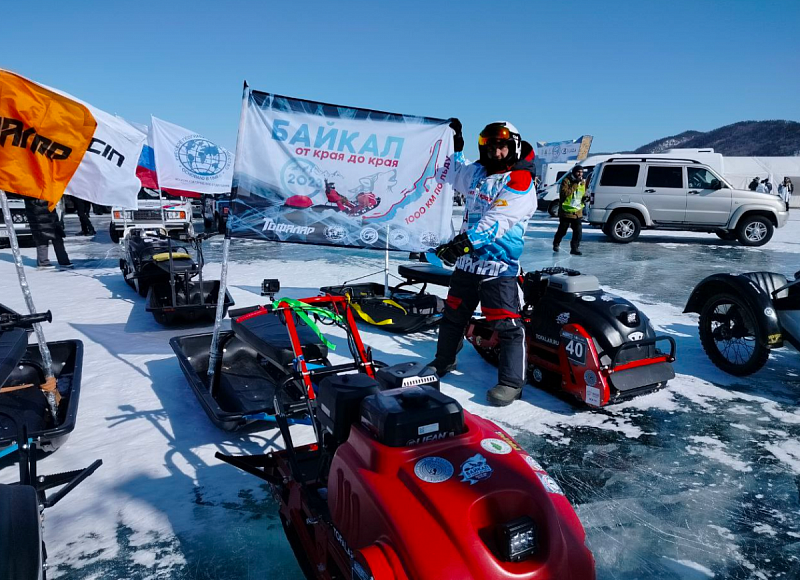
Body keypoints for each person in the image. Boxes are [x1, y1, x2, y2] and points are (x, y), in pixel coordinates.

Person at [429, 120, 537, 406]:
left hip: (498, 267)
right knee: (453, 316)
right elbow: (455, 172)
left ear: (513, 146)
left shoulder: (520, 180)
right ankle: (445, 360)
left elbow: (498, 221)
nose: (496, 153)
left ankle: (512, 383)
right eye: (490, 147)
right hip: (467, 265)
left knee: (506, 325)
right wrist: (456, 144)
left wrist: (462, 243)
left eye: (502, 146)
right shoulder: (478, 173)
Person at [24, 198, 72, 269]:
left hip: (46, 216)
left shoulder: (31, 191)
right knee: (46, 239)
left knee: (49, 239)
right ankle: (46, 262)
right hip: (43, 216)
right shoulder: (36, 192)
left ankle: (47, 261)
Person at [552, 165, 589, 255]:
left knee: (578, 232)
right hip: (566, 211)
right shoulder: (566, 181)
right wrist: (575, 184)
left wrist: (585, 198)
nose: (580, 174)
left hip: (577, 212)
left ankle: (574, 248)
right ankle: (556, 243)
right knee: (562, 230)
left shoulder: (582, 182)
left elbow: (582, 193)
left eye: (581, 172)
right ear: (574, 172)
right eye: (578, 172)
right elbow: (565, 194)